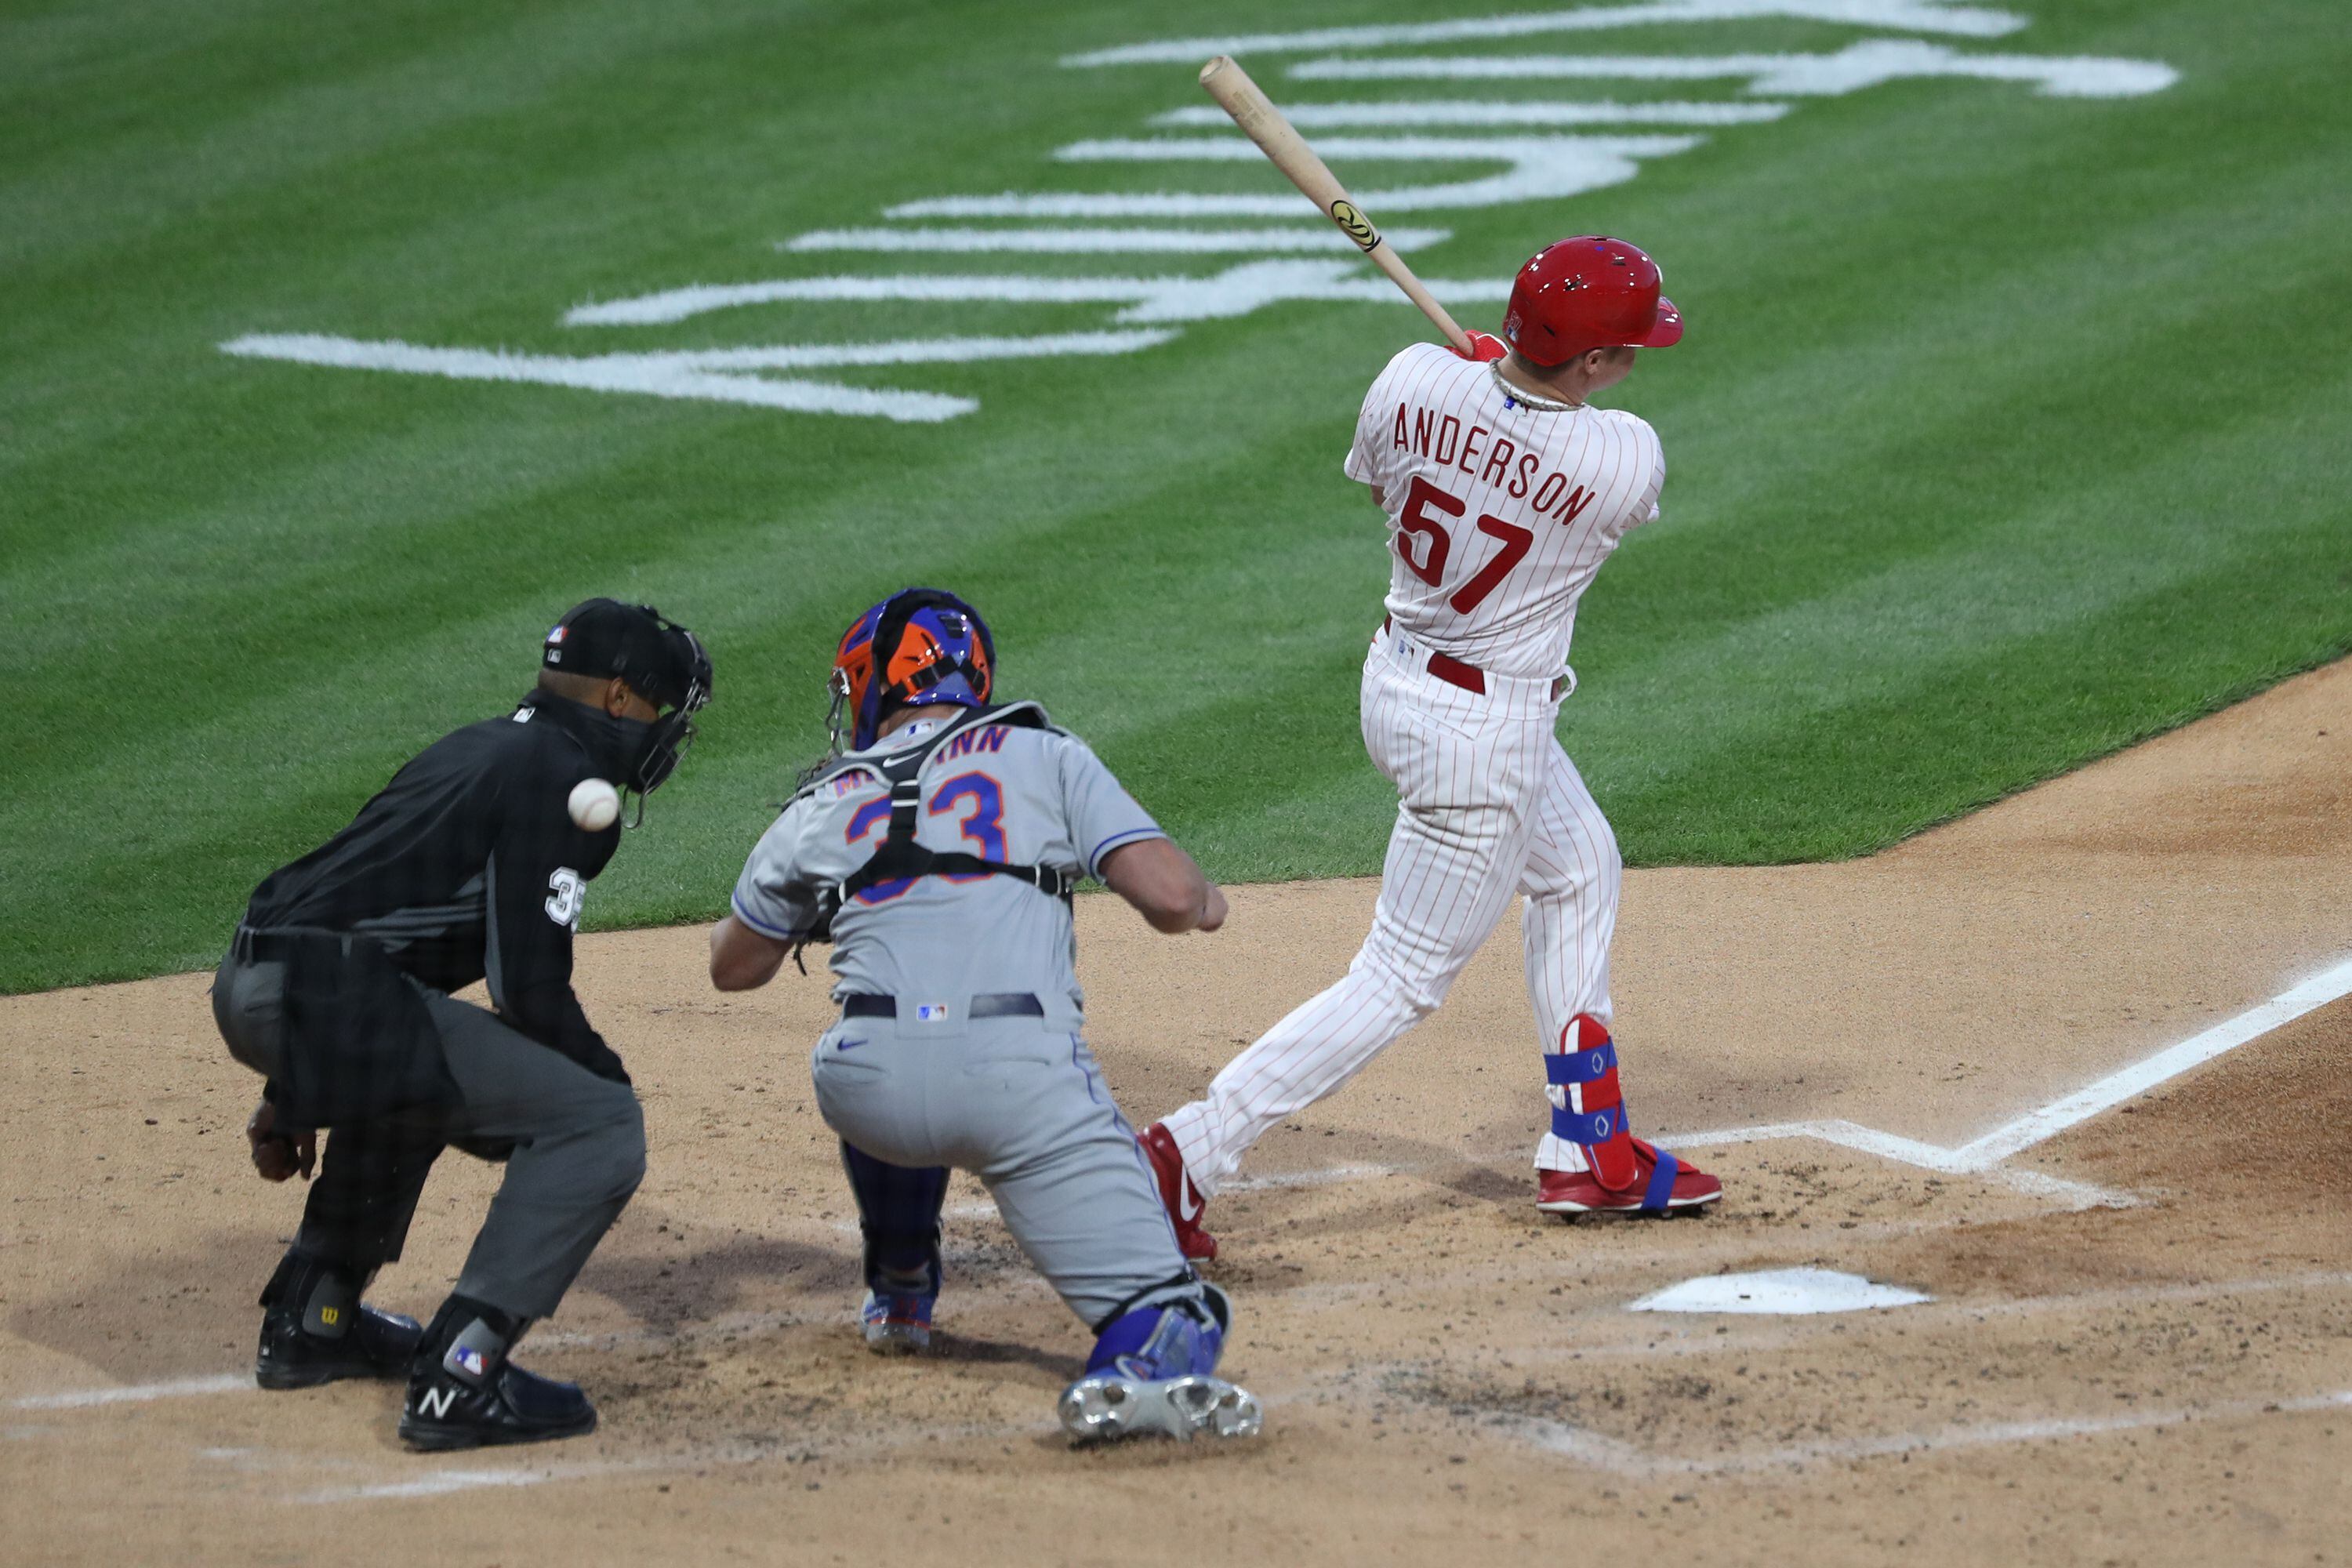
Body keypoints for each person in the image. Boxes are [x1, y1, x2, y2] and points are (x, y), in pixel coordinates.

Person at [1140, 237, 1723, 1262]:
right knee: (1401, 977)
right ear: (1590, 366)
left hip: (1402, 680)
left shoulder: (1412, 376)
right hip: (1481, 737)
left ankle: (1587, 1147)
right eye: (1626, 348)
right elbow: (1546, 446)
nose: (1638, 361)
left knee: (1579, 867)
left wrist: (1474, 395)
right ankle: (1187, 1152)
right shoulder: (1622, 457)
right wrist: (1496, 402)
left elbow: (1388, 490)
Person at [707, 587, 1259, 1445]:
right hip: (1018, 1085)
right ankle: (1131, 1374)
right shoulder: (1045, 753)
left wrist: (839, 891)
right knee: (1171, 1316)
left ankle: (899, 1276)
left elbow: (733, 968)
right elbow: (1175, 896)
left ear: (872, 684)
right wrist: (1209, 901)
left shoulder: (825, 800)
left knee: (874, 1050)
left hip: (869, 1087)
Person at [211, 598, 710, 1450]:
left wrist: (291, 1087)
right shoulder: (558, 775)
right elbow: (529, 982)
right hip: (326, 997)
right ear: (621, 699)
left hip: (265, 979)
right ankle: (463, 1374)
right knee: (597, 1123)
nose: (662, 731)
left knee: (423, 1064)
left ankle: (315, 1316)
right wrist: (605, 1079)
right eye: (659, 708)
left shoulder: (478, 743)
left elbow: (341, 903)